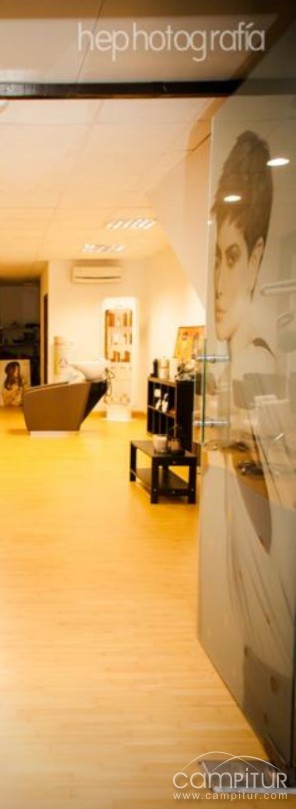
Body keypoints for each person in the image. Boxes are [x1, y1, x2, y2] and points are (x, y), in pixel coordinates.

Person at [202, 129, 296, 762]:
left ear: (258, 260)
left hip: (272, 634)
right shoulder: (234, 362)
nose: (217, 280)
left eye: (232, 257)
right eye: (215, 257)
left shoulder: (255, 362)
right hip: (253, 629)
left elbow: (274, 487)